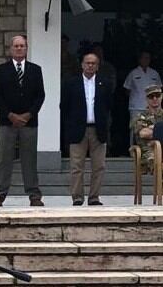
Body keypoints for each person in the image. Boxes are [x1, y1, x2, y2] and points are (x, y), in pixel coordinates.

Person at [0, 35, 46, 207]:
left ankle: (34, 195)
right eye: (16, 46)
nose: (19, 48)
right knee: (4, 158)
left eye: (22, 46)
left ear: (26, 48)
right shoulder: (1, 70)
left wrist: (28, 115)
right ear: (11, 49)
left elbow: (40, 95)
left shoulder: (35, 70)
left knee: (29, 159)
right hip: (8, 122)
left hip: (29, 122)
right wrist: (10, 115)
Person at [61, 53, 113, 206]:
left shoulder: (105, 83)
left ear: (97, 66)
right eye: (87, 63)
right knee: (77, 166)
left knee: (99, 166)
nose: (90, 66)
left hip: (98, 130)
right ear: (82, 65)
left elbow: (109, 105)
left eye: (93, 63)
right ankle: (77, 197)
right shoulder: (71, 83)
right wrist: (71, 124)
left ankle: (94, 197)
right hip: (78, 130)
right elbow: (64, 106)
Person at [124, 51, 161, 145]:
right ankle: (133, 150)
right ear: (139, 60)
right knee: (135, 129)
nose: (146, 60)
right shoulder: (133, 73)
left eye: (148, 58)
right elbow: (127, 89)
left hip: (153, 106)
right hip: (136, 106)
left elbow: (159, 89)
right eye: (144, 58)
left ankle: (153, 149)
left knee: (153, 127)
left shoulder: (154, 73)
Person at [131, 84, 163, 175]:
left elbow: (149, 132)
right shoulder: (140, 117)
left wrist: (153, 128)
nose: (154, 99)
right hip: (148, 151)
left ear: (162, 96)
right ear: (146, 99)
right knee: (155, 161)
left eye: (157, 95)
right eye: (151, 96)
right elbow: (143, 134)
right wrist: (159, 130)